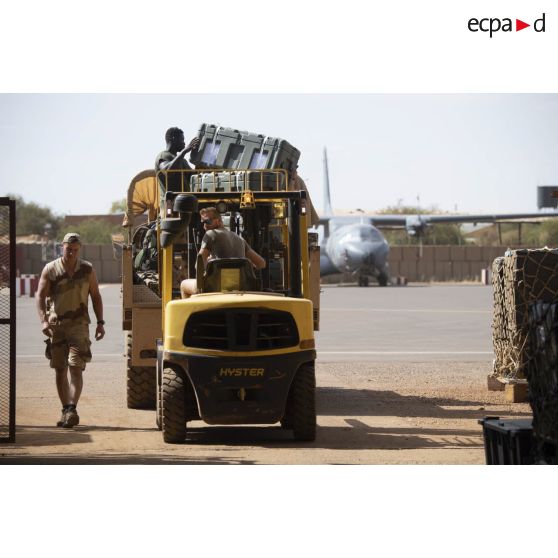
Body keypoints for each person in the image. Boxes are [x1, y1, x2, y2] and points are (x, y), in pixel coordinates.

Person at [36, 232, 105, 428]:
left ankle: (72, 408)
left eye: (75, 250)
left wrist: (101, 322)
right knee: (60, 369)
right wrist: (43, 321)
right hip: (57, 327)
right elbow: (40, 296)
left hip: (79, 326)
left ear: (79, 249)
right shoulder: (50, 269)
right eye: (68, 249)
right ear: (62, 247)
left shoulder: (87, 269)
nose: (72, 253)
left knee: (76, 367)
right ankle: (66, 409)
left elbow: (96, 296)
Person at [180, 207, 266, 298]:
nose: (204, 226)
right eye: (203, 222)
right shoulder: (239, 239)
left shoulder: (210, 234)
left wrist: (208, 263)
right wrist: (248, 266)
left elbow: (199, 264)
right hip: (241, 286)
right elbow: (261, 263)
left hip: (215, 285)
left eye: (207, 222)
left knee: (183, 285)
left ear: (218, 221)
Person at [155, 127, 200, 210]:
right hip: (170, 205)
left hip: (186, 203)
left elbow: (193, 176)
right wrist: (184, 151)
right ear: (173, 139)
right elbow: (168, 171)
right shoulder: (163, 155)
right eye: (182, 139)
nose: (184, 143)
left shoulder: (181, 160)